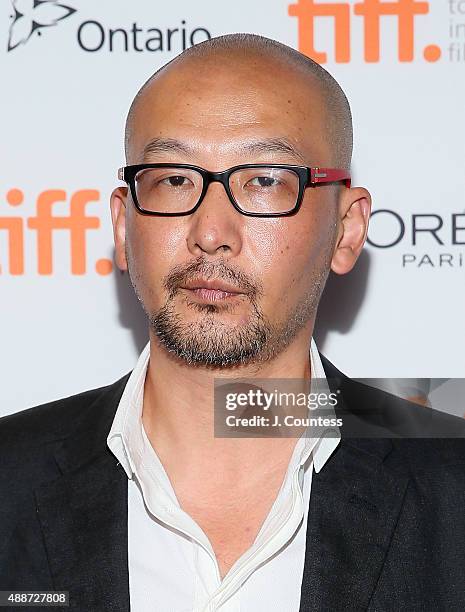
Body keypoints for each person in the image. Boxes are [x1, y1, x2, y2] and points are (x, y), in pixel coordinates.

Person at [1, 33, 464, 612]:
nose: (211, 231)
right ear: (123, 226)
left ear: (346, 229)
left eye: (265, 181)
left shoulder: (451, 488)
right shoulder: (8, 482)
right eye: (173, 179)